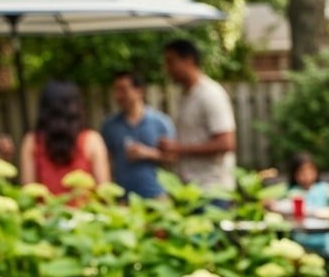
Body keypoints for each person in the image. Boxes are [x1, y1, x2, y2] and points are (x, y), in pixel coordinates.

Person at [159, 39, 237, 197]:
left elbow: (226, 143)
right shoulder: (186, 95)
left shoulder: (210, 94)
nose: (167, 69)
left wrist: (178, 148)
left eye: (171, 62)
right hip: (191, 189)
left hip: (212, 190)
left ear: (188, 61)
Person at [19, 81, 110, 195]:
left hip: (46, 212)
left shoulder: (32, 141)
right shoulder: (92, 140)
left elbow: (27, 192)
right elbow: (105, 192)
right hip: (85, 212)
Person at [100, 71, 175, 198]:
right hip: (123, 198)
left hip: (157, 196)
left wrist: (147, 153)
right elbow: (105, 161)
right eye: (116, 90)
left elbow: (173, 157)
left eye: (123, 90)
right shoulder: (109, 126)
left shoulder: (160, 122)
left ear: (139, 91)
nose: (119, 96)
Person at [285, 152, 329, 257]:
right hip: (300, 239)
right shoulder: (292, 192)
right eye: (302, 172)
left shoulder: (325, 188)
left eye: (310, 171)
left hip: (323, 238)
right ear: (294, 174)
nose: (307, 175)